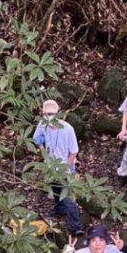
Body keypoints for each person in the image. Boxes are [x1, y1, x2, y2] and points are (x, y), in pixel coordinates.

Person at [33, 99, 84, 236]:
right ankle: (58, 208)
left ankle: (76, 226)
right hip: (50, 166)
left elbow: (74, 151)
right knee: (56, 190)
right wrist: (43, 150)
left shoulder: (68, 129)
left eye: (52, 114)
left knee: (67, 196)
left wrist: (66, 167)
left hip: (65, 166)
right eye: (47, 114)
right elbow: (37, 138)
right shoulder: (42, 125)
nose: (49, 117)